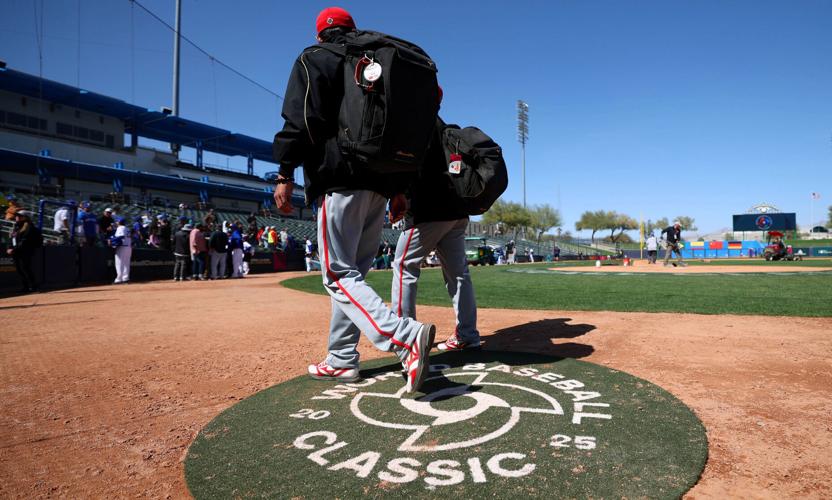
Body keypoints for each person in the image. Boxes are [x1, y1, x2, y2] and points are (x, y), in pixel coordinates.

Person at [272, 7, 435, 393]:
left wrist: (284, 172)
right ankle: (342, 358)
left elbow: (302, 119)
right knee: (352, 276)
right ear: (351, 29)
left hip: (338, 178)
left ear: (319, 34)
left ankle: (404, 337)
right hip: (380, 185)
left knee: (336, 274)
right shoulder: (374, 57)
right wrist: (400, 189)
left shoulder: (315, 57)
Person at [391, 117, 480, 352]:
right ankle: (468, 334)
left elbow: (408, 170)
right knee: (459, 274)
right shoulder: (451, 132)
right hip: (458, 212)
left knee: (404, 267)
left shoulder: (416, 127)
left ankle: (406, 339)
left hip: (429, 212)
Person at [7, 209, 42, 293]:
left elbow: (25, 241)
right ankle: (25, 287)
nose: (17, 217)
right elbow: (12, 238)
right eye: (16, 216)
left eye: (19, 216)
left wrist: (14, 249)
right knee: (19, 269)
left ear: (25, 217)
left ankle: (34, 287)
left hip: (25, 251)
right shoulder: (16, 226)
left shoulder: (29, 227)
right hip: (16, 251)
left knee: (25, 268)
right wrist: (9, 247)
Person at [111, 217, 132, 284]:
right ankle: (125, 278)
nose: (116, 222)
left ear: (119, 222)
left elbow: (120, 237)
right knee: (126, 263)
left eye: (117, 221)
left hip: (122, 247)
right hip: (128, 247)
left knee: (119, 263)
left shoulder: (120, 228)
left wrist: (112, 242)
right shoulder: (127, 228)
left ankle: (119, 279)